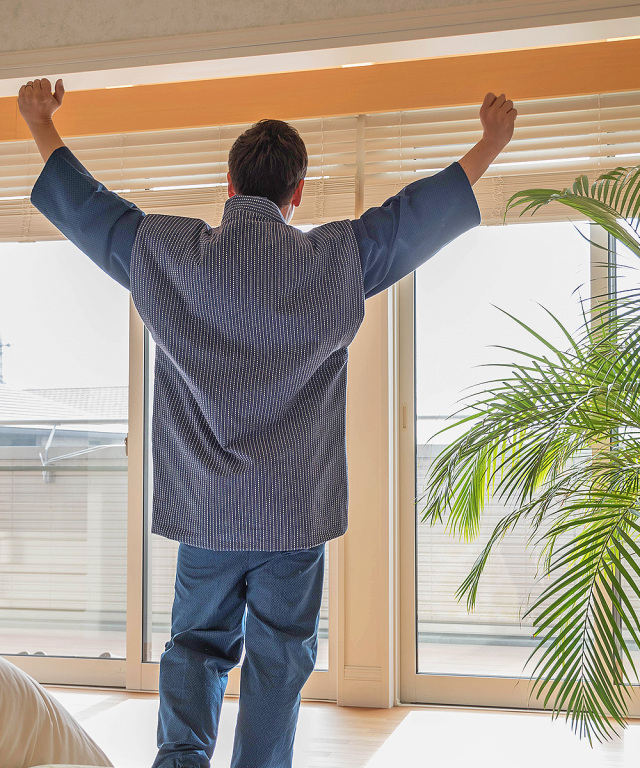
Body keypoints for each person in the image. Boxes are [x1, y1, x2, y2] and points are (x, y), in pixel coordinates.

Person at [17, 77, 516, 768]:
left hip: (206, 514)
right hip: (293, 519)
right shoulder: (335, 258)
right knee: (280, 663)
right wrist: (487, 145)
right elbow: (412, 218)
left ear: (229, 184)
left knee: (194, 650)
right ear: (298, 193)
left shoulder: (168, 253)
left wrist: (40, 121)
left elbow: (89, 209)